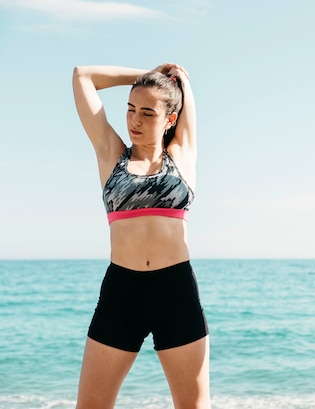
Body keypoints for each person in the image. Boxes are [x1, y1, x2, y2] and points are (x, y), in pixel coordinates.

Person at [72, 63, 211, 409]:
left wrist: (175, 79)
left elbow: (184, 91)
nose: (134, 120)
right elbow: (82, 77)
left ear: (170, 119)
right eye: (131, 109)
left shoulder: (182, 155)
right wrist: (146, 73)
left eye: (147, 113)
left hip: (175, 294)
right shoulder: (111, 154)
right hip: (122, 295)